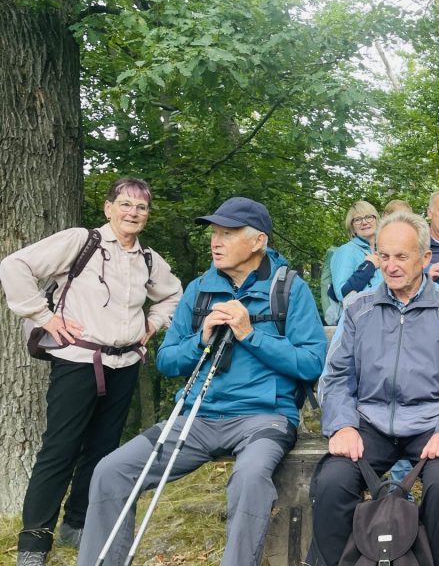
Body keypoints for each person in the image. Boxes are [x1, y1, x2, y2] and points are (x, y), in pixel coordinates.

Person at [76, 197, 327, 566]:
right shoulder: (199, 290)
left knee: (250, 479)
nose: (216, 241)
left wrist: (250, 334)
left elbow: (311, 363)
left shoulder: (289, 290)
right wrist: (202, 339)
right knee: (111, 471)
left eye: (228, 233)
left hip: (263, 418)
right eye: (214, 232)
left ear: (258, 241)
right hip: (197, 415)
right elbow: (166, 361)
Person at [0, 178, 182, 566]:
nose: (133, 213)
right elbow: (14, 265)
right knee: (60, 449)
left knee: (103, 450)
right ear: (109, 208)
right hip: (78, 362)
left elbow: (172, 293)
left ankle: (77, 524)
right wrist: (46, 317)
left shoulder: (148, 258)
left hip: (126, 364)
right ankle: (34, 542)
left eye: (142, 207)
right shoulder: (82, 242)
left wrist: (153, 323)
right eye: (126, 204)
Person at [306, 211, 439, 566]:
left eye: (401, 256)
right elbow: (335, 376)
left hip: (430, 425)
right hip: (369, 424)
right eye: (384, 256)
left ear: (424, 258)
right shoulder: (359, 308)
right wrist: (343, 424)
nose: (390, 266)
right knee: (332, 482)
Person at [324, 201, 384, 325]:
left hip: (387, 317)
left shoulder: (385, 249)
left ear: (376, 220)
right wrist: (368, 267)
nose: (364, 222)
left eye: (369, 217)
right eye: (357, 219)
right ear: (352, 227)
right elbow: (342, 293)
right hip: (360, 322)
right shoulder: (345, 251)